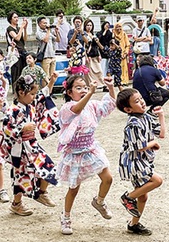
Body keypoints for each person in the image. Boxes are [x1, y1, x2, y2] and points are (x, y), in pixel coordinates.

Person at [57, 75, 116, 235]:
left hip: (91, 149)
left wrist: (110, 87)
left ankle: (99, 201)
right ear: (69, 92)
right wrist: (90, 93)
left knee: (108, 178)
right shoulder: (66, 108)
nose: (83, 90)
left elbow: (109, 106)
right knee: (74, 188)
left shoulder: (91, 105)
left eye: (84, 87)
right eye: (78, 88)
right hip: (74, 153)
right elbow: (77, 109)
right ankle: (66, 216)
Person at [2, 74, 59, 216]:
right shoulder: (13, 110)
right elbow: (6, 129)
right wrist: (22, 128)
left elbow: (43, 96)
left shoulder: (30, 105)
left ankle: (41, 192)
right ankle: (16, 204)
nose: (34, 96)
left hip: (32, 145)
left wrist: (51, 82)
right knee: (21, 176)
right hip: (19, 148)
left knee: (49, 167)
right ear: (22, 93)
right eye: (32, 94)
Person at [116, 88, 165, 236]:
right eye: (136, 102)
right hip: (134, 163)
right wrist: (153, 144)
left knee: (143, 195)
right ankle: (128, 197)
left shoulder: (146, 117)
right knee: (157, 180)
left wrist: (161, 116)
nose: (142, 102)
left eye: (141, 99)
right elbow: (139, 147)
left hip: (143, 161)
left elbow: (161, 134)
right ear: (128, 109)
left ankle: (133, 224)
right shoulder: (133, 124)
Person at [5, 11, 28, 89]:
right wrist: (21, 27)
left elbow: (24, 39)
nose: (17, 19)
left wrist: (24, 29)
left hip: (22, 51)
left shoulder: (18, 28)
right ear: (10, 19)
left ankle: (22, 87)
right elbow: (17, 38)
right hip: (15, 52)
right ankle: (15, 89)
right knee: (16, 71)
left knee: (23, 70)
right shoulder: (9, 28)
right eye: (14, 17)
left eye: (17, 17)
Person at [83, 19, 105, 88]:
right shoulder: (84, 35)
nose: (89, 27)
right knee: (90, 72)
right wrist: (86, 56)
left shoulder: (93, 35)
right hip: (89, 56)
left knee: (99, 71)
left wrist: (99, 55)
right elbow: (84, 47)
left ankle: (101, 84)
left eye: (90, 25)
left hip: (95, 55)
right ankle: (91, 85)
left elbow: (96, 46)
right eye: (87, 25)